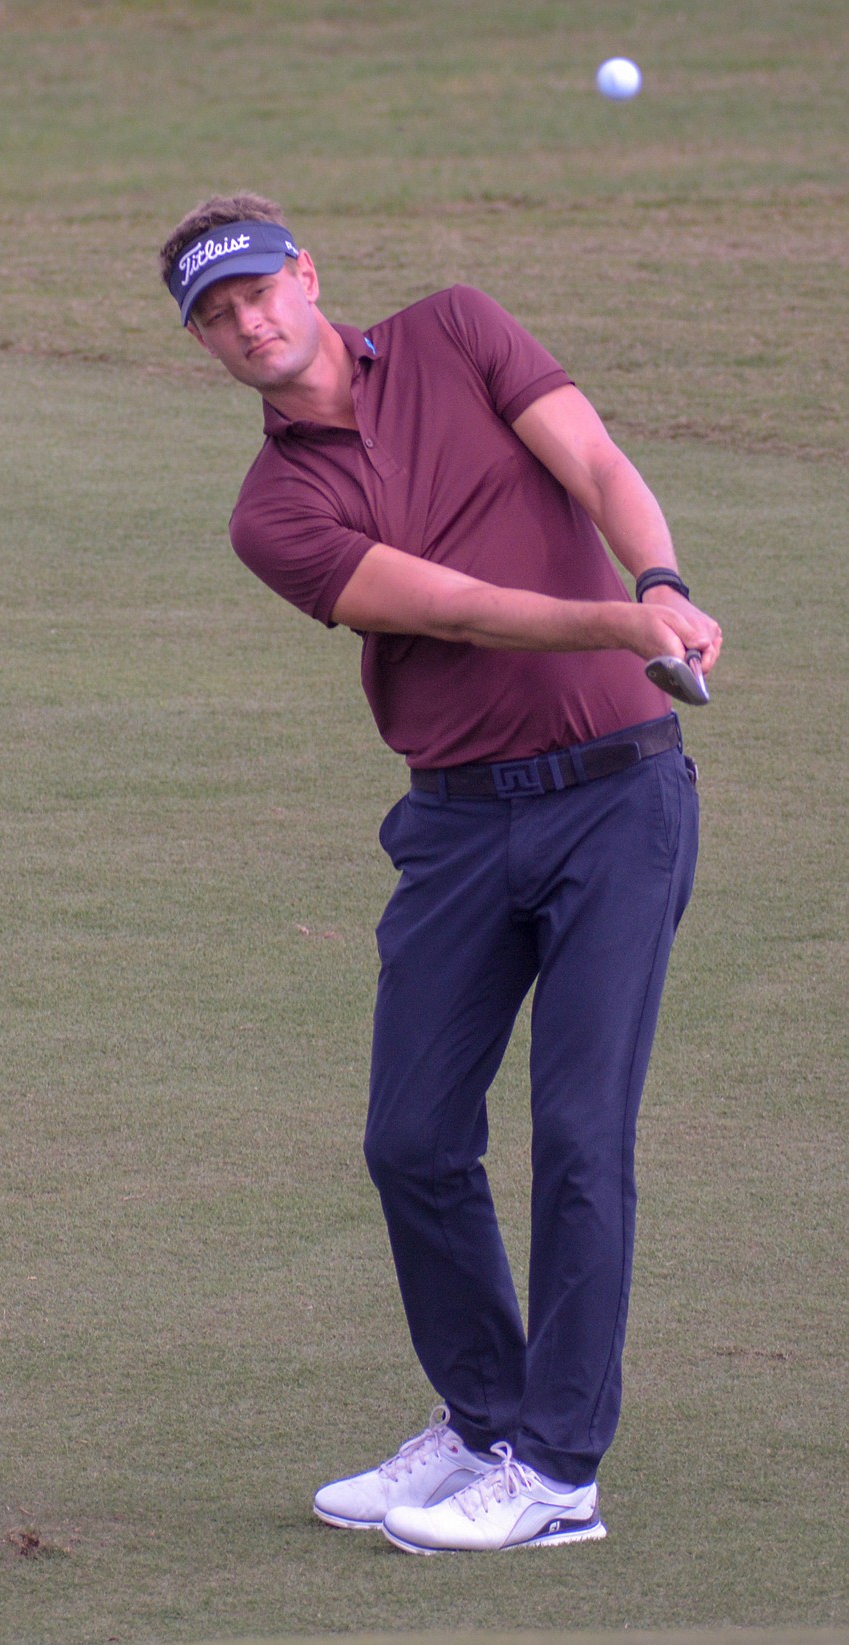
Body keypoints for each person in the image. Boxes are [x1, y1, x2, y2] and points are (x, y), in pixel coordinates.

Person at [159, 192, 722, 1556]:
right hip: (458, 824)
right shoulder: (274, 509)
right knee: (410, 1137)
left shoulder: (458, 331)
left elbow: (590, 458)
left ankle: (557, 1473)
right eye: (216, 318)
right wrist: (625, 617)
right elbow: (453, 610)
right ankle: (481, 1420)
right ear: (206, 344)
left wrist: (656, 567)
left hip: (617, 802)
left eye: (256, 291)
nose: (249, 325)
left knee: (581, 1136)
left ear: (306, 274)